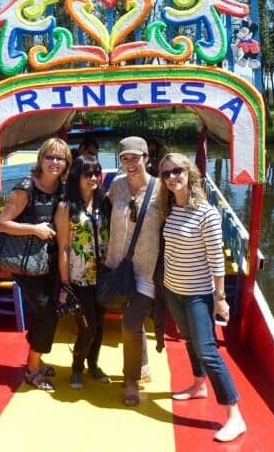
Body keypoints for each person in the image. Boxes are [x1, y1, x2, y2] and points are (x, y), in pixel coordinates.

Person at [156, 152, 247, 442]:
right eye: (166, 173)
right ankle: (198, 385)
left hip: (198, 293)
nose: (172, 177)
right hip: (173, 289)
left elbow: (217, 259)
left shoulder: (206, 213)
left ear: (189, 173)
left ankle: (235, 416)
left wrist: (220, 297)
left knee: (207, 350)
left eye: (177, 171)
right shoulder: (169, 207)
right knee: (188, 340)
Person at [0, 137, 71, 391]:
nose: (54, 162)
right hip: (27, 264)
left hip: (50, 262)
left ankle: (36, 359)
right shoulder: (25, 188)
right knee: (45, 310)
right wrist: (34, 229)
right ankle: (32, 369)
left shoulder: (62, 189)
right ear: (41, 159)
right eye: (50, 156)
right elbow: (2, 224)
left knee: (50, 310)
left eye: (60, 158)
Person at [105, 136, 161, 406]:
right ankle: (144, 364)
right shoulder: (116, 186)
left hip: (146, 272)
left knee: (129, 324)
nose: (129, 163)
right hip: (117, 267)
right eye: (124, 158)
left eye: (135, 158)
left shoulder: (162, 190)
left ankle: (131, 380)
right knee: (132, 323)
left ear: (146, 158)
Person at [55, 155, 111, 389]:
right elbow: (64, 246)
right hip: (80, 277)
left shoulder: (104, 202)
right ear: (77, 177)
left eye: (97, 173)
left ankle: (93, 365)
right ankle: (77, 368)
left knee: (99, 323)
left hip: (104, 274)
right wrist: (66, 281)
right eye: (88, 174)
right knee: (87, 326)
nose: (94, 178)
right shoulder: (66, 207)